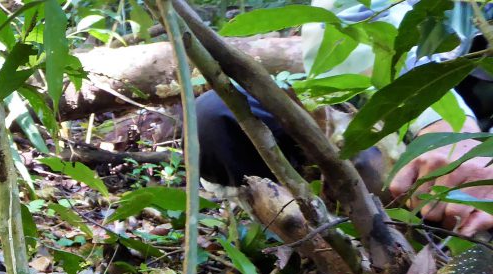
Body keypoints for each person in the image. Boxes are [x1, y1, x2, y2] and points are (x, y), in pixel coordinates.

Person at [197, 0, 493, 235]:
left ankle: (440, 235)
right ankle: (309, 232)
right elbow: (351, 19)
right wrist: (444, 127)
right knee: (217, 119)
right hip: (389, 102)